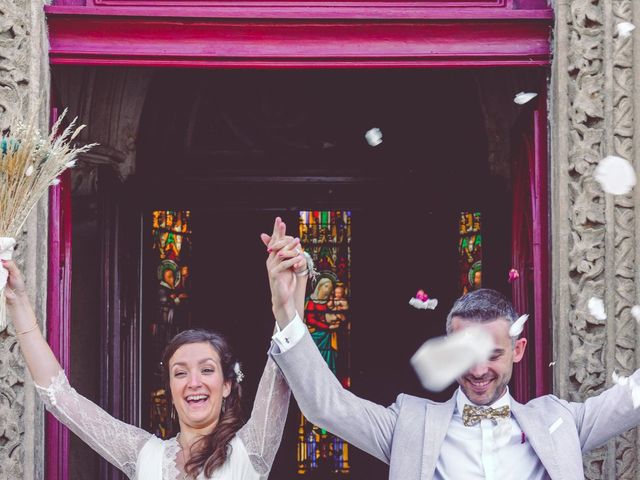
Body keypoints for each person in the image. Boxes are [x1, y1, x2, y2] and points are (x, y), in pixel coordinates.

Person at [262, 221, 640, 479]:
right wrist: (285, 310)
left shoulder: (560, 422)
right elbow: (325, 405)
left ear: (518, 348)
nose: (477, 370)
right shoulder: (409, 423)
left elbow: (633, 398)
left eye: (492, 354)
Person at [3, 249, 297, 479]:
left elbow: (280, 365)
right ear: (170, 388)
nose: (194, 382)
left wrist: (288, 300)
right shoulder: (144, 454)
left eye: (207, 370)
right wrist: (18, 302)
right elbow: (60, 397)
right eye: (180, 373)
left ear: (227, 386)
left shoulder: (251, 451)